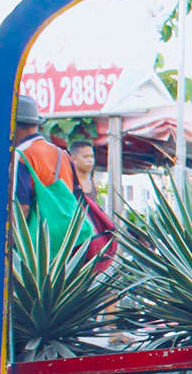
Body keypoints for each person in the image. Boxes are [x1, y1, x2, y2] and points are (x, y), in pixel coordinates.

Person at [12, 94, 91, 248]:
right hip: (68, 239)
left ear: (13, 124)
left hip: (39, 243)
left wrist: (13, 245)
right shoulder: (62, 153)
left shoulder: (21, 155)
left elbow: (23, 207)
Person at [66, 141, 117, 270]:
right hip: (77, 236)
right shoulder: (69, 182)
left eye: (91, 156)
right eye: (85, 157)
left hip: (94, 236)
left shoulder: (92, 182)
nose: (90, 161)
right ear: (74, 159)